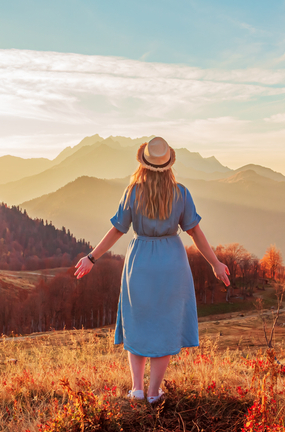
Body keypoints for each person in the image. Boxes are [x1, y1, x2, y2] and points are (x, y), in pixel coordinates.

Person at [75, 137, 231, 405]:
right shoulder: (181, 193)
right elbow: (195, 231)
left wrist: (91, 257)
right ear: (169, 164)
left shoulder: (133, 192)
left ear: (143, 164)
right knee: (165, 327)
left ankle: (136, 389)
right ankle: (154, 393)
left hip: (140, 263)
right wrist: (215, 263)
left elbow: (117, 230)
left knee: (138, 324)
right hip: (172, 263)